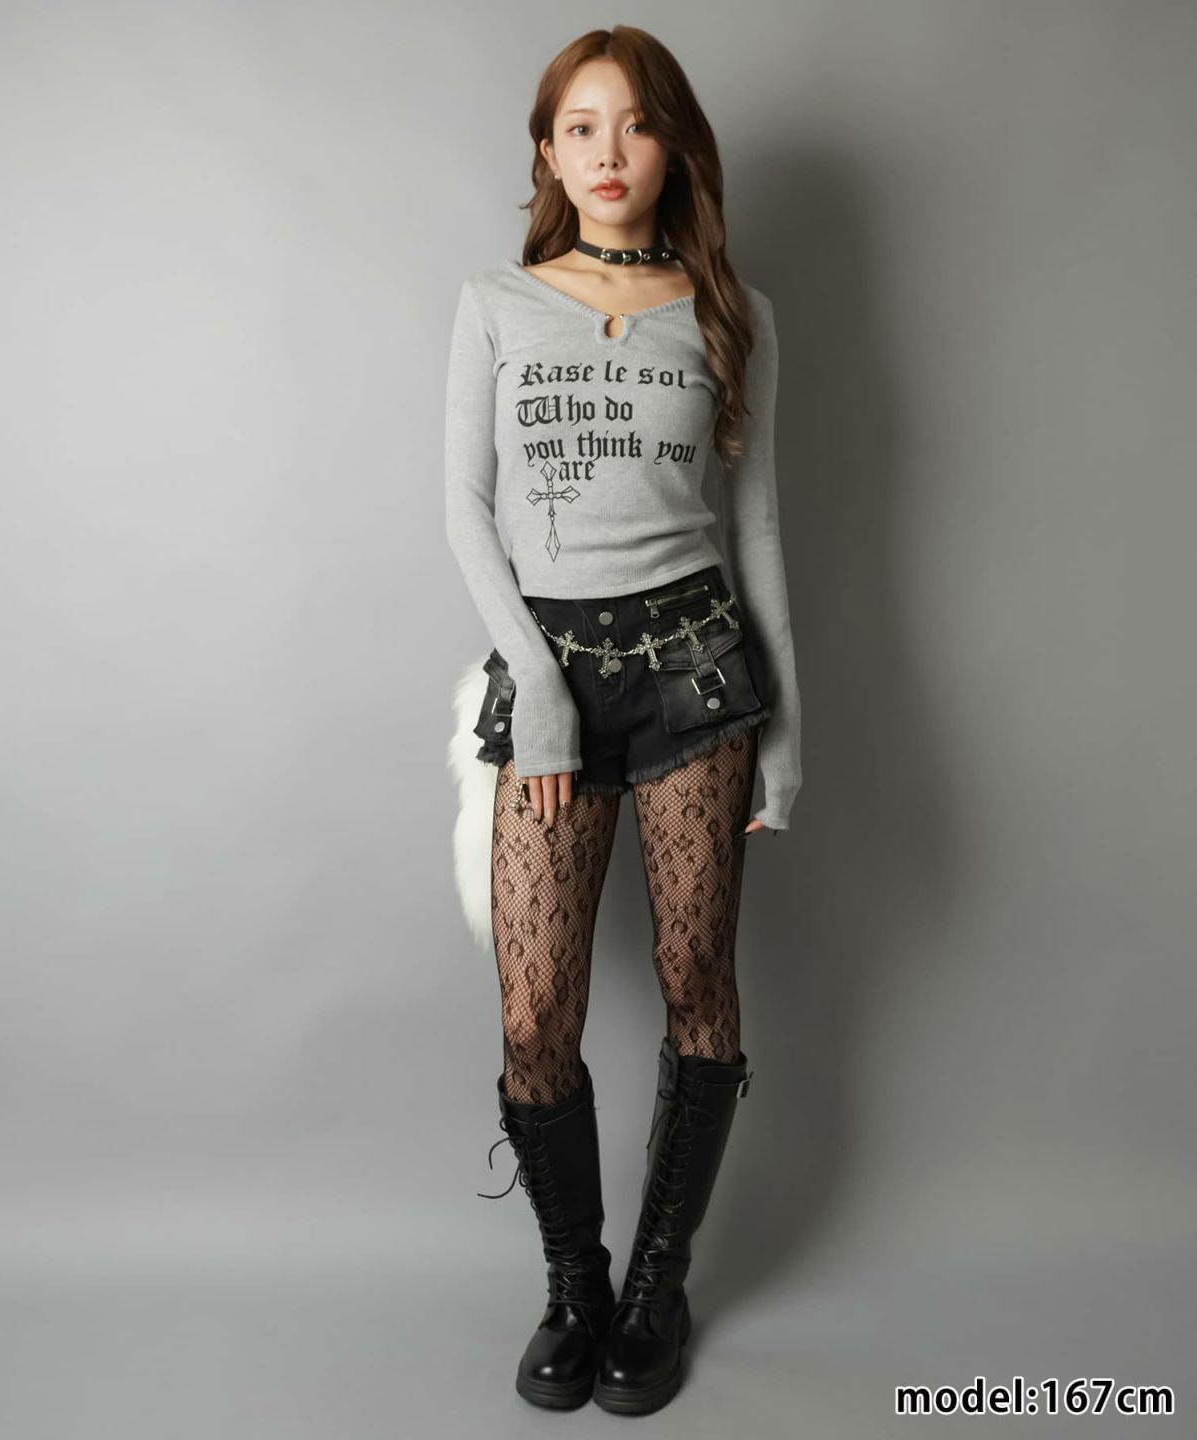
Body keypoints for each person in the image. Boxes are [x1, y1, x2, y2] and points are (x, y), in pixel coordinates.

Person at [443, 24, 802, 1416]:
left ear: (672, 148)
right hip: (549, 674)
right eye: (581, 127)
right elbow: (464, 508)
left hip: (697, 670)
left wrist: (789, 736)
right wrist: (536, 687)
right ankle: (574, 1283)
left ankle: (657, 1286)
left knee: (699, 974)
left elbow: (753, 530)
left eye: (636, 124)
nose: (608, 152)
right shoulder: (496, 303)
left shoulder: (732, 312)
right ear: (548, 152)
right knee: (537, 1008)